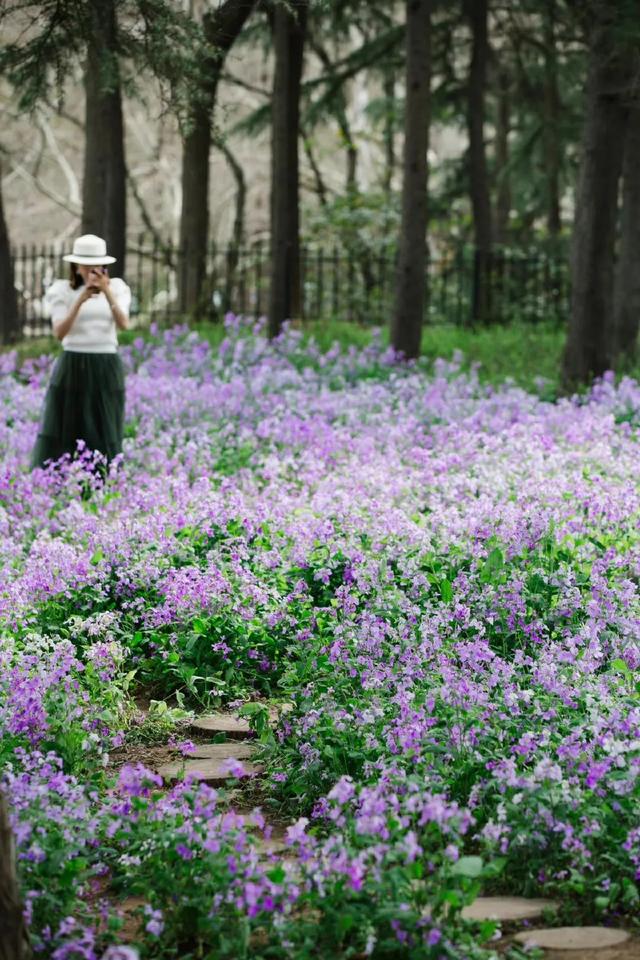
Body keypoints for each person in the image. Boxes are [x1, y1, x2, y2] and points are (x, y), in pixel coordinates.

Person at [31, 234, 131, 470]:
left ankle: (103, 476)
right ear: (76, 266)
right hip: (74, 361)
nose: (91, 271)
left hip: (106, 361)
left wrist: (107, 292)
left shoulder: (117, 288)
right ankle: (62, 476)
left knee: (104, 421)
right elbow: (60, 332)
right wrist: (80, 300)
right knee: (69, 422)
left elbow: (124, 324)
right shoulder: (62, 290)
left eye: (96, 266)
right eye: (85, 266)